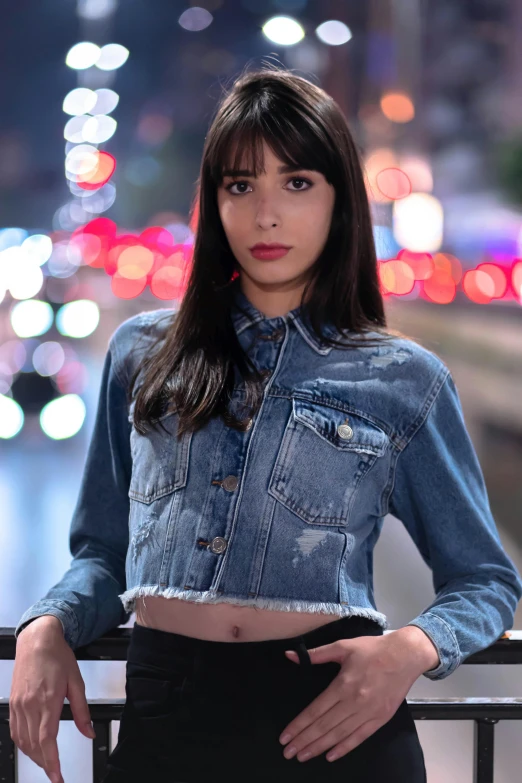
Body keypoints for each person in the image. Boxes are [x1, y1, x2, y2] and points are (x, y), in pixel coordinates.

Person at [10, 65, 522, 783]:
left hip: (335, 724)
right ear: (214, 202)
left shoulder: (402, 377)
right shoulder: (142, 354)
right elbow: (103, 551)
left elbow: (487, 581)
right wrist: (48, 623)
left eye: (298, 183)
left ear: (340, 199)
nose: (266, 215)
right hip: (168, 720)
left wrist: (410, 649)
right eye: (240, 185)